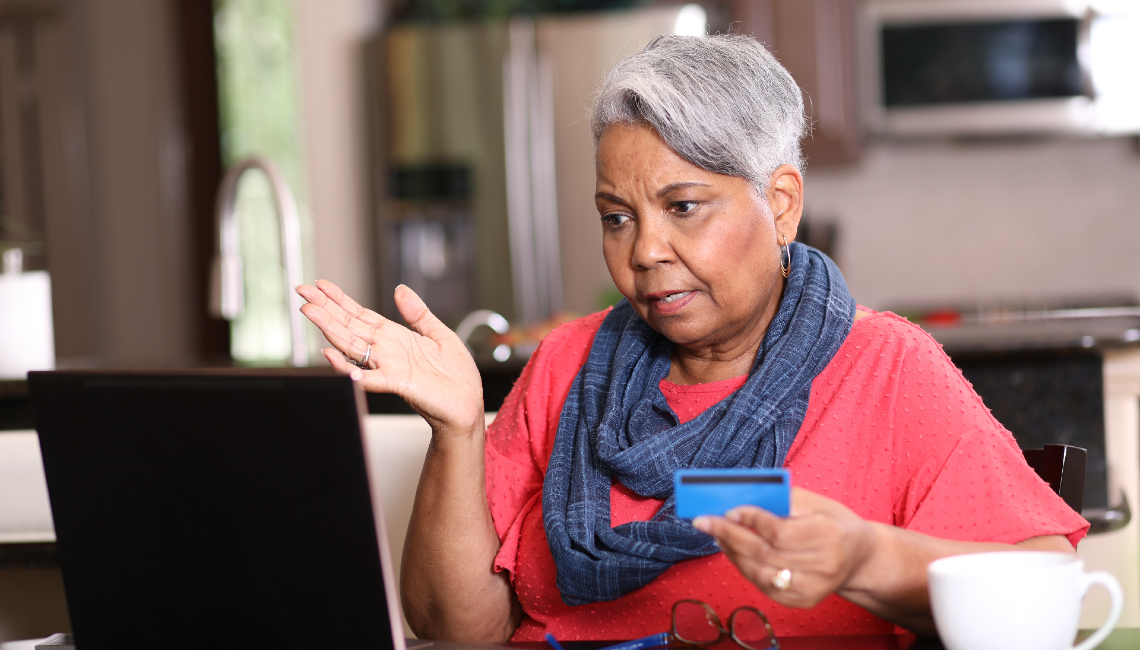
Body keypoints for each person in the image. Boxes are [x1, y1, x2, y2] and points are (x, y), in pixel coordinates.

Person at [297, 34, 1087, 643]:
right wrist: (460, 430)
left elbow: (1045, 584)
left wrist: (862, 559)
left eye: (683, 207)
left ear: (780, 204)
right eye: (617, 217)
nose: (643, 251)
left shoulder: (885, 369)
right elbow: (453, 630)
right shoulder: (568, 365)